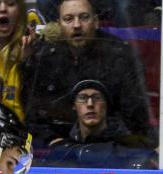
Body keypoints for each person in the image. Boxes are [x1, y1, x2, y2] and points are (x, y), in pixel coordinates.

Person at [21, 0, 152, 146]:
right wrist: (52, 140)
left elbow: (135, 116)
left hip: (112, 146)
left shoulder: (120, 54)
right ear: (59, 25)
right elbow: (34, 116)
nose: (76, 25)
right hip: (58, 149)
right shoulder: (46, 57)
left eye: (84, 17)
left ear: (96, 21)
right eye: (68, 19)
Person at [46, 79, 156, 168]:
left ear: (106, 105)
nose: (90, 104)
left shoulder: (130, 149)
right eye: (83, 98)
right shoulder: (62, 151)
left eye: (97, 98)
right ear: (74, 106)